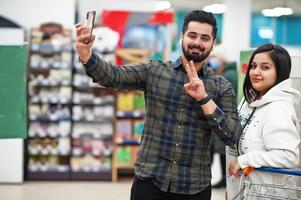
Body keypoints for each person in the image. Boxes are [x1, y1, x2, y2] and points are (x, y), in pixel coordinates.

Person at [76, 10, 241, 200]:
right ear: (182, 38)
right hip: (150, 182)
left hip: (194, 187)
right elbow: (113, 76)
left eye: (205, 38)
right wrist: (87, 56)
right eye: (192, 35)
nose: (197, 42)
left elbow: (233, 135)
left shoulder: (222, 87)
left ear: (212, 44)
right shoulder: (155, 71)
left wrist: (204, 99)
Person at [226, 43, 301, 199]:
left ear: (279, 73)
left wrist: (244, 160)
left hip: (269, 194)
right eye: (253, 66)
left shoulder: (279, 108)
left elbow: (288, 156)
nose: (256, 72)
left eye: (265, 67)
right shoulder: (248, 101)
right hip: (244, 191)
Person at [208, 46, 238, 188]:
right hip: (223, 116)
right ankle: (223, 179)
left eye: (214, 57)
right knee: (220, 150)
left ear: (222, 60)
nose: (211, 60)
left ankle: (225, 180)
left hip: (224, 118)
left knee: (223, 149)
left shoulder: (228, 76)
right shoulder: (226, 73)